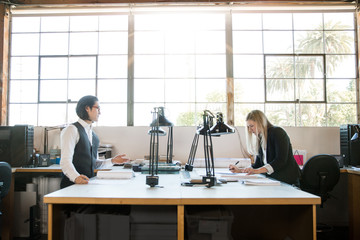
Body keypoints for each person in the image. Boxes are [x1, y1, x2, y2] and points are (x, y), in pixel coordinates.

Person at [60, 95, 129, 188]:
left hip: (87, 185)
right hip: (71, 186)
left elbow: (94, 164)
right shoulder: (71, 130)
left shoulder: (93, 135)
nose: (100, 112)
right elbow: (65, 161)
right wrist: (76, 177)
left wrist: (112, 161)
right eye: (98, 108)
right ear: (87, 108)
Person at [229, 110, 301, 185]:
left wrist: (256, 171)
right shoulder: (261, 138)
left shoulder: (278, 132)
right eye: (248, 127)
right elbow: (257, 166)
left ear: (261, 122)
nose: (250, 130)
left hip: (287, 181)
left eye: (252, 126)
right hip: (273, 181)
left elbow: (280, 160)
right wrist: (240, 170)